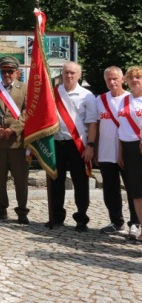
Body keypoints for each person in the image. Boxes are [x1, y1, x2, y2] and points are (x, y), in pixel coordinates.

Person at [48, 61, 98, 231]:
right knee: (56, 182)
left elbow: (92, 124)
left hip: (78, 145)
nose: (69, 76)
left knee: (81, 182)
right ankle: (57, 216)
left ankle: (81, 218)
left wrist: (90, 146)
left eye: (73, 73)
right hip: (57, 144)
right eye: (66, 72)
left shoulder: (87, 96)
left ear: (79, 75)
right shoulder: (52, 94)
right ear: (61, 73)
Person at [0, 56, 29, 224]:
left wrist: (13, 129)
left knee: (20, 179)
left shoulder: (24, 88)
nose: (7, 74)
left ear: (17, 72)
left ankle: (22, 211)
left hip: (17, 142)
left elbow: (27, 112)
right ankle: (1, 208)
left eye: (10, 71)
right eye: (3, 71)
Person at [96, 66, 139, 235]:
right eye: (108, 79)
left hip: (128, 150)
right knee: (110, 188)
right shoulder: (100, 100)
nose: (112, 82)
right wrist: (95, 148)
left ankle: (135, 222)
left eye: (115, 78)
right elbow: (97, 124)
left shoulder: (131, 98)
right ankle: (115, 221)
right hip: (106, 151)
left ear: (122, 79)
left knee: (132, 188)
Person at [118, 66, 142, 245]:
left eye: (138, 77)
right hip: (128, 148)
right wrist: (120, 151)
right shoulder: (123, 101)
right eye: (131, 77)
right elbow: (121, 128)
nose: (135, 80)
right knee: (136, 191)